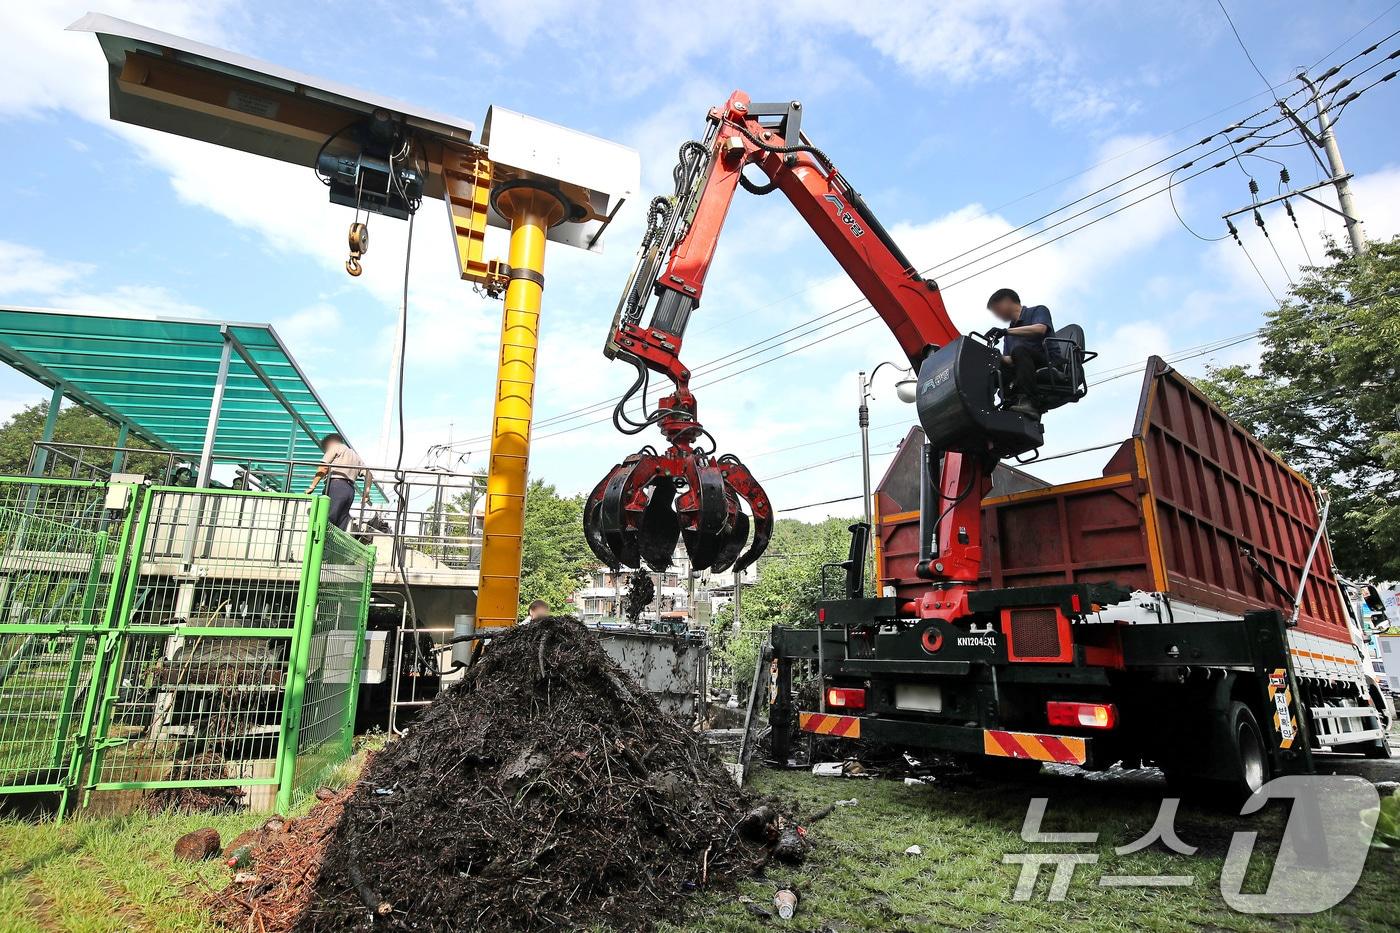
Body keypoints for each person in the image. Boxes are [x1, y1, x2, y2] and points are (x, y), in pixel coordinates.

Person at [985, 287, 1053, 417]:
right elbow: (1011, 360)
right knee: (994, 370)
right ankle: (990, 409)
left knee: (1019, 350)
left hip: (1048, 362)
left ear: (1007, 302)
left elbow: (1040, 329)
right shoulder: (1008, 334)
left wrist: (1006, 331)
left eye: (996, 309)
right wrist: (995, 356)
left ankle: (1031, 402)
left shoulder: (1038, 311)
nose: (996, 315)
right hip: (1023, 365)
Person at [305, 433, 371, 531]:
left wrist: (312, 486)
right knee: (341, 523)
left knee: (327, 518)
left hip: (336, 486)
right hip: (350, 490)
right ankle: (333, 545)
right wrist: (366, 494)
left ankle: (323, 544)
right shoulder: (355, 455)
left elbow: (323, 468)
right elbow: (369, 474)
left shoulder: (335, 447)